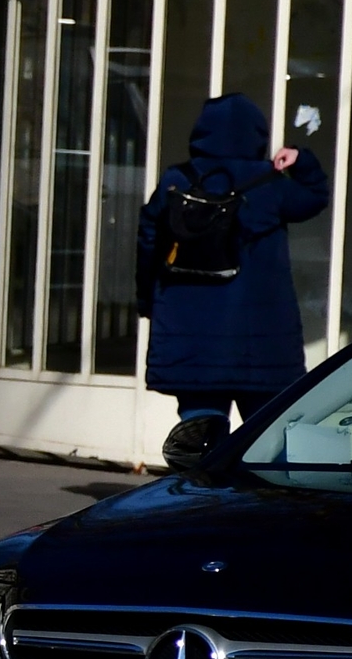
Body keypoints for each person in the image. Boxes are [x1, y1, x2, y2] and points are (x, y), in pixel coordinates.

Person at [137, 93, 330, 470]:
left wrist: (148, 301)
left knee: (201, 428)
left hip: (190, 333)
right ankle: (260, 506)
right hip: (261, 339)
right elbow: (314, 198)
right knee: (270, 432)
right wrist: (301, 159)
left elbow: (149, 242)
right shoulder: (270, 185)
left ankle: (202, 496)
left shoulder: (177, 181)